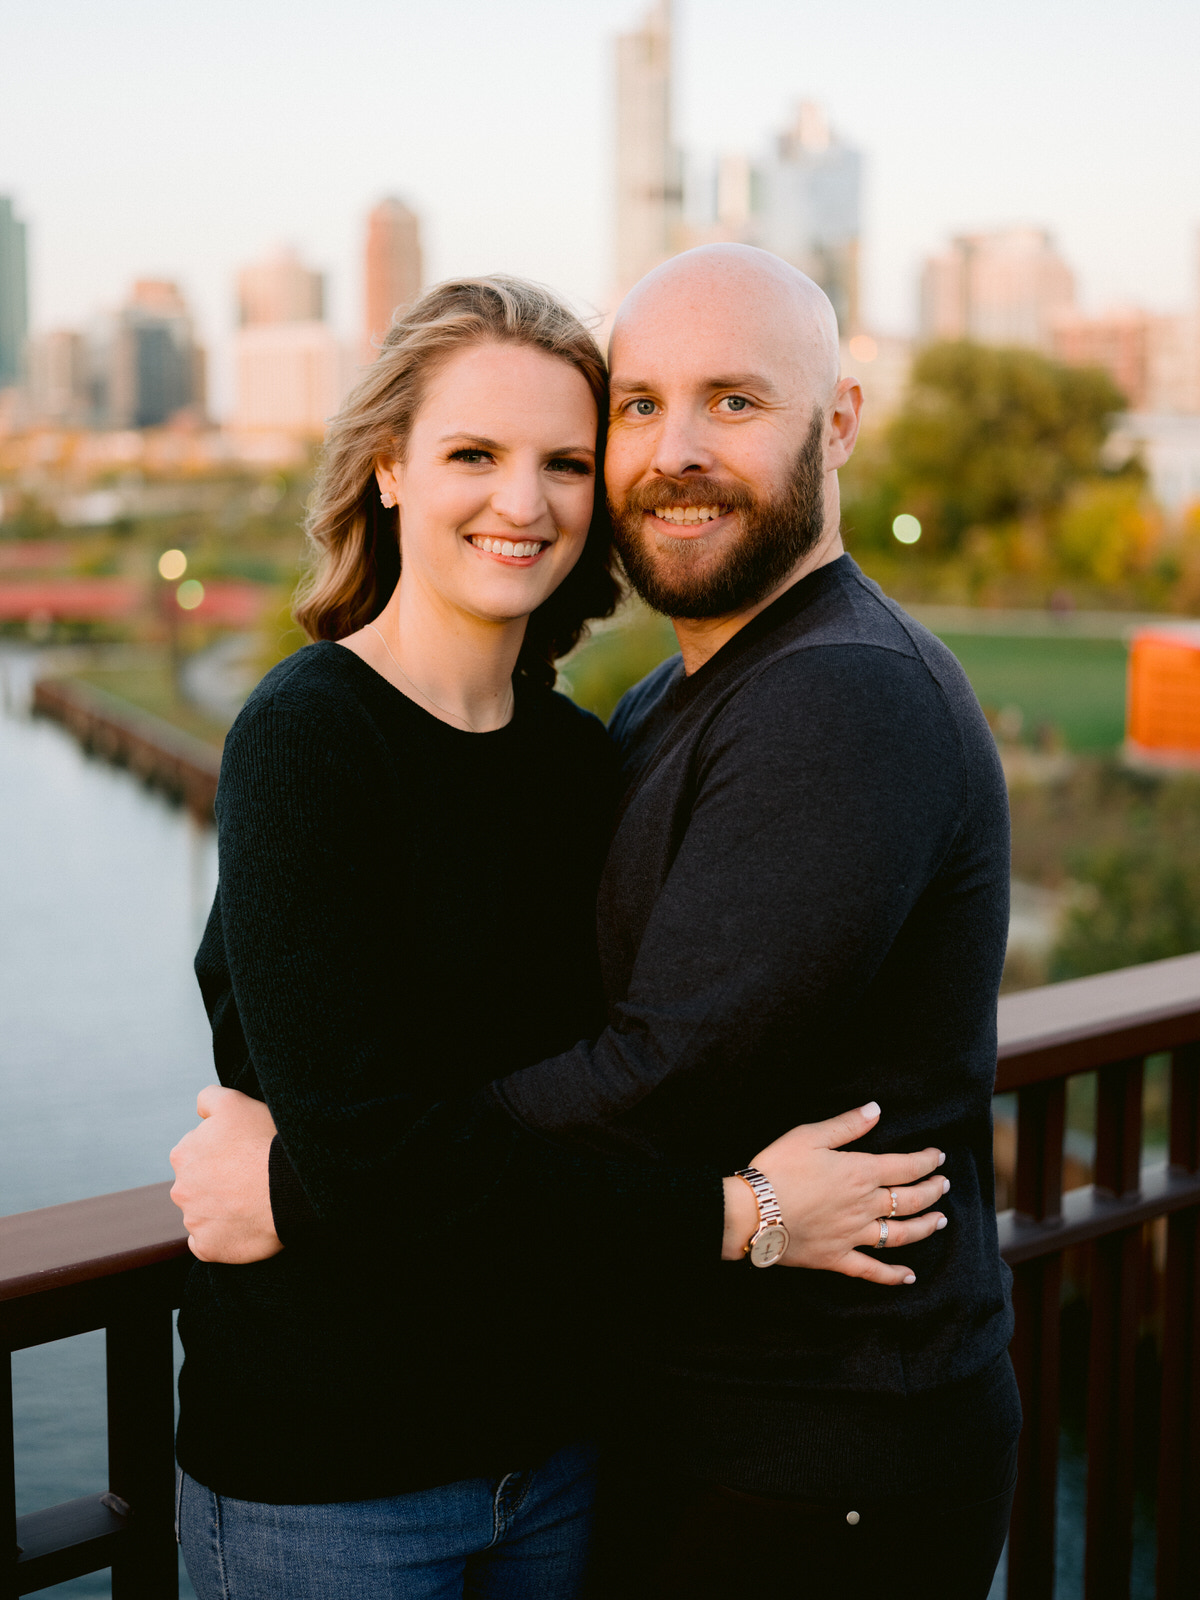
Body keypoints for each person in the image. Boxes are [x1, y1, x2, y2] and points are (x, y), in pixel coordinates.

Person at [169, 272, 950, 1600]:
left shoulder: (586, 763)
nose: (522, 503)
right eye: (473, 454)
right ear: (389, 471)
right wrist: (741, 1218)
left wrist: (305, 1182)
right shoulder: (309, 742)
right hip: (336, 1475)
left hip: (556, 1451)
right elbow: (377, 1146)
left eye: (566, 463)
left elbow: (634, 1080)